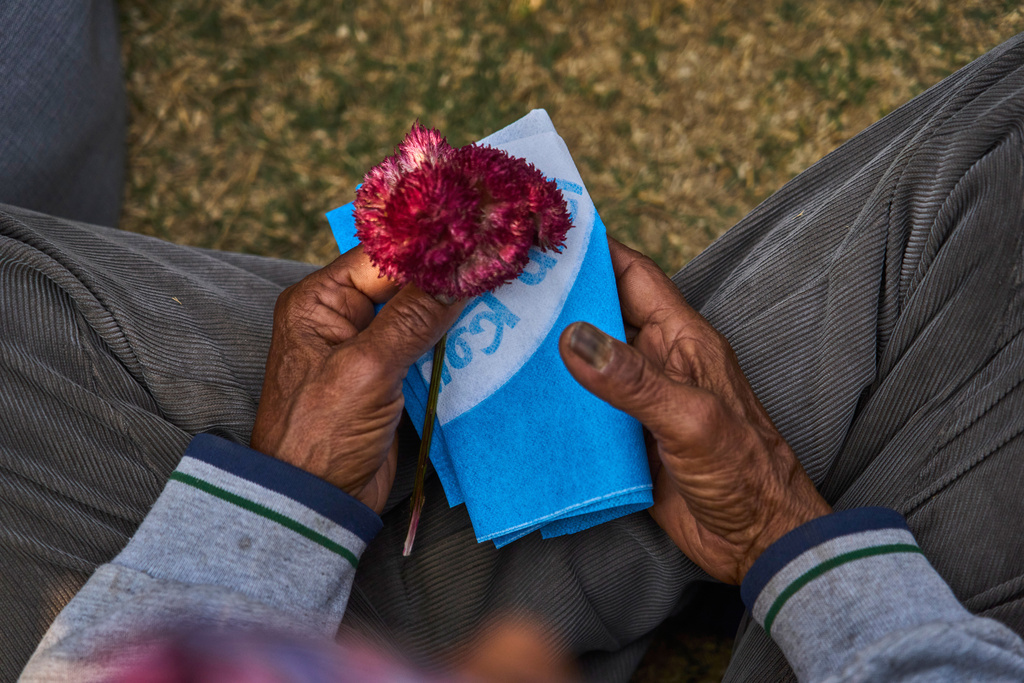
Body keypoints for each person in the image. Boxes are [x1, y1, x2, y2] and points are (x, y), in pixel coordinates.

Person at [3, 2, 1024, 681]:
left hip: (269, 566)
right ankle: (604, 561)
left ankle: (565, 557)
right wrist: (789, 537)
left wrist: (272, 520)